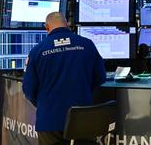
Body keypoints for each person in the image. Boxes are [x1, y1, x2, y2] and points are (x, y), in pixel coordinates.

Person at [23, 12, 106, 145]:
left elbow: (28, 89)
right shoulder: (87, 44)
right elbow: (101, 77)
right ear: (67, 24)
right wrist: (84, 93)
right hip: (82, 118)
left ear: (47, 27)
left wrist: (45, 104)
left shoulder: (37, 51)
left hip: (49, 120)